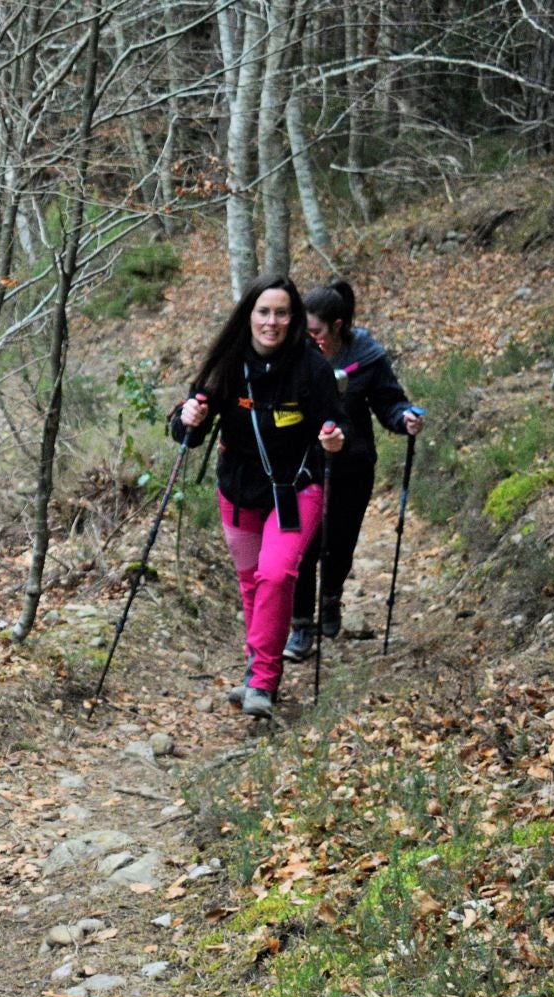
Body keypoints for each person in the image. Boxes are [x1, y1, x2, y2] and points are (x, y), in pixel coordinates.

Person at [172, 275, 347, 718]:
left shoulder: (311, 366)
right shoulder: (228, 363)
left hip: (296, 488)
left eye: (281, 313)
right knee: (252, 584)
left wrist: (333, 439)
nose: (272, 322)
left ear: (294, 318)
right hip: (238, 488)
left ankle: (263, 682)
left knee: (276, 573)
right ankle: (257, 671)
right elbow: (188, 430)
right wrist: (188, 416)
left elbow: (333, 424)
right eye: (263, 312)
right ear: (249, 315)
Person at [282, 280, 424, 661]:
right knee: (302, 547)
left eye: (316, 332)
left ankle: (331, 598)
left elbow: (389, 402)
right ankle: (300, 627)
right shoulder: (292, 355)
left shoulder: (366, 356)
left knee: (339, 545)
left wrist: (404, 418)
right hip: (302, 466)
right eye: (304, 331)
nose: (310, 339)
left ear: (339, 325)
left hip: (352, 465)